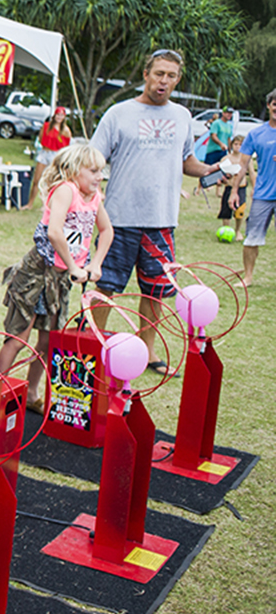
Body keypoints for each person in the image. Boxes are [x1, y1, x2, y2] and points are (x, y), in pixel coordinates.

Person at [90, 49, 222, 376]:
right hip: (118, 221)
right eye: (159, 73)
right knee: (104, 288)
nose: (164, 81)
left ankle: (147, 354)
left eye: (171, 76)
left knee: (156, 292)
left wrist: (212, 170)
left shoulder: (182, 116)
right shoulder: (118, 113)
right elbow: (93, 160)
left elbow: (187, 161)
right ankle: (92, 349)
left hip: (162, 222)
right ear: (146, 74)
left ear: (178, 79)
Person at [0, 144, 114, 413]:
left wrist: (95, 264)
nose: (99, 176)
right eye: (93, 170)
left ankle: (32, 391)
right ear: (73, 170)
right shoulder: (65, 190)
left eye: (101, 171)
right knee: (17, 338)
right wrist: (74, 265)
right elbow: (54, 232)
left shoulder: (95, 197)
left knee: (49, 340)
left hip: (60, 279)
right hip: (37, 273)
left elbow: (106, 231)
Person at [231, 88, 276, 287]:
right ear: (269, 106)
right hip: (263, 195)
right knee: (251, 239)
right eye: (275, 104)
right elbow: (242, 165)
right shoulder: (256, 134)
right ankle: (248, 277)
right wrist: (234, 191)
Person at [26, 107, 72, 209]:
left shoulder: (65, 130)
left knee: (51, 181)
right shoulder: (46, 126)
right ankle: (30, 203)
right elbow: (41, 139)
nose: (59, 117)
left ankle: (48, 204)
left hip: (55, 154)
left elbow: (66, 146)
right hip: (44, 152)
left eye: (61, 115)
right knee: (36, 179)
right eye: (58, 115)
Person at [219, 135, 252, 236]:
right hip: (229, 187)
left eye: (240, 144)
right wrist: (222, 182)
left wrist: (254, 187)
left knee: (239, 211)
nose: (238, 146)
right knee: (226, 211)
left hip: (241, 188)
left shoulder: (246, 159)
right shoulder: (226, 159)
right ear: (232, 145)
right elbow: (220, 175)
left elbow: (252, 173)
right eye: (236, 144)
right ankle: (226, 230)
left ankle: (238, 231)